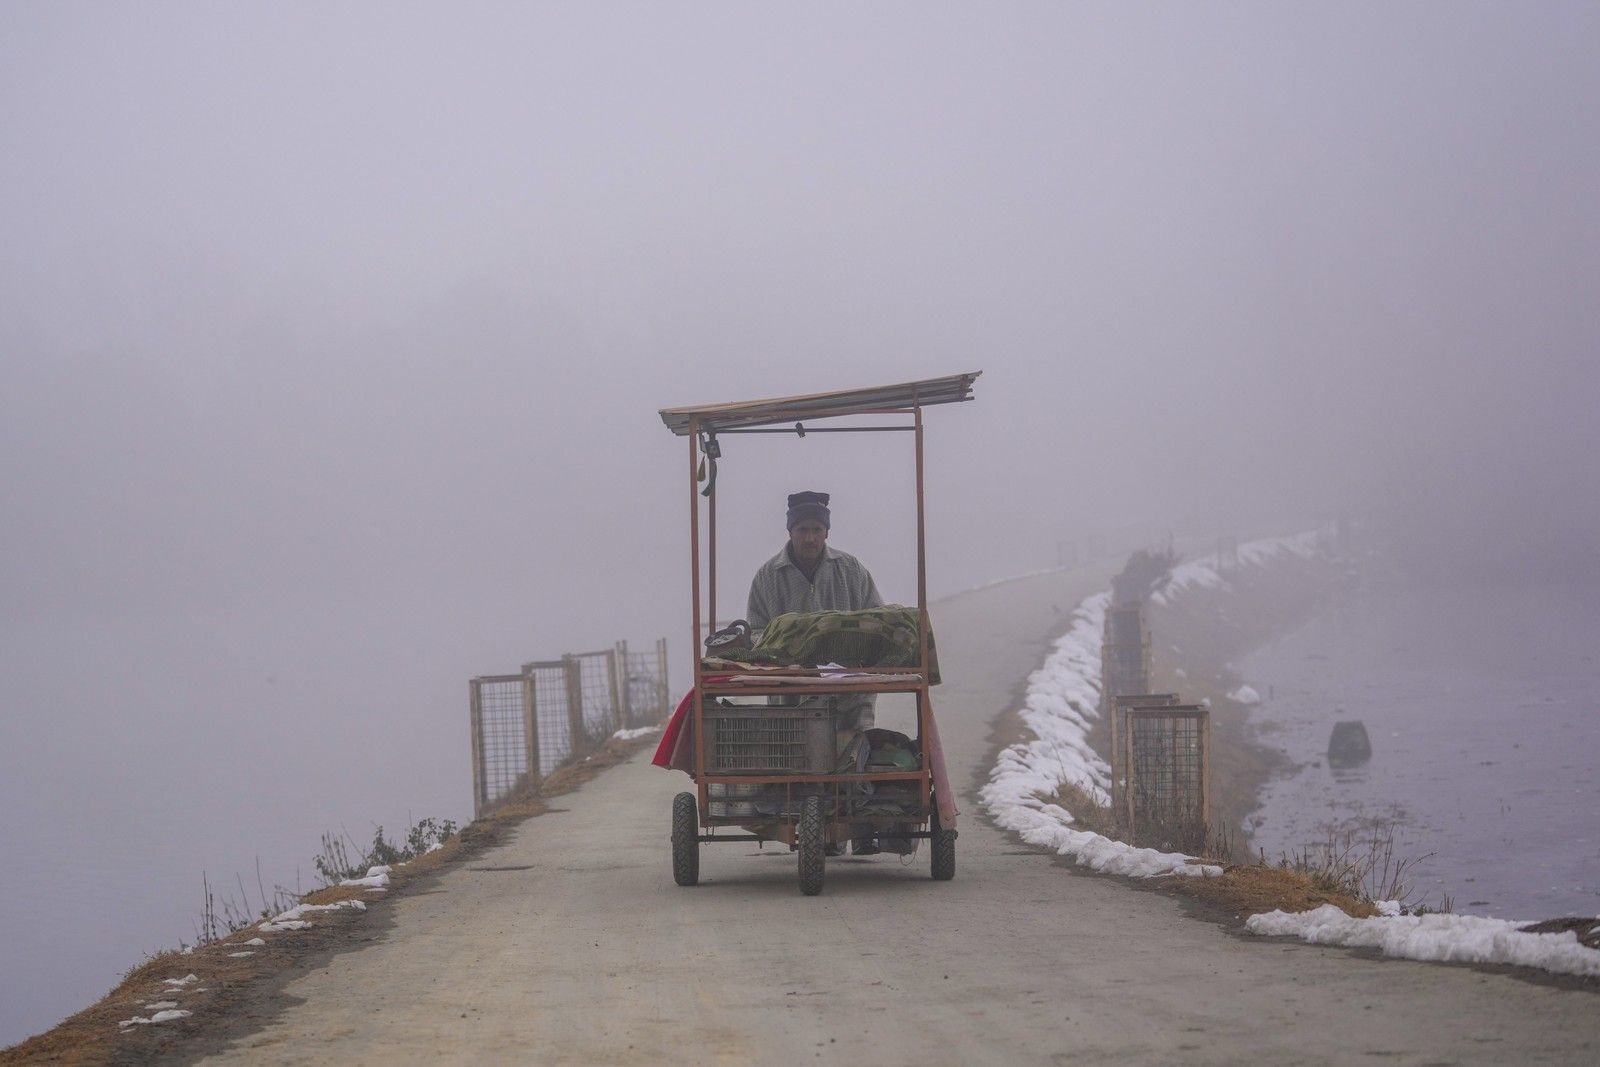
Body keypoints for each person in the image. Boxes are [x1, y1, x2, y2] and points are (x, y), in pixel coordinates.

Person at [747, 490, 888, 855]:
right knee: (802, 763)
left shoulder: (852, 570)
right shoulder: (768, 577)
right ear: (790, 531)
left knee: (852, 757)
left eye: (815, 530)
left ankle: (860, 830)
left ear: (826, 532)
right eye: (802, 530)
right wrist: (789, 652)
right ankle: (815, 836)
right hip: (793, 695)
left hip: (849, 694)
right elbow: (756, 632)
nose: (809, 537)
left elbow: (878, 619)